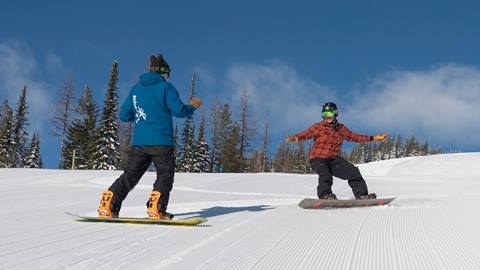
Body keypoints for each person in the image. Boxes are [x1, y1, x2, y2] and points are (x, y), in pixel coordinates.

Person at [97, 54, 202, 220]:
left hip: (139, 142)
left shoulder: (136, 89)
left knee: (130, 175)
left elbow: (124, 115)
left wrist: (142, 119)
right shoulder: (166, 88)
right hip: (161, 142)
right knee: (164, 174)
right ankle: (157, 208)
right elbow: (179, 111)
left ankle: (108, 204)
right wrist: (192, 106)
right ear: (164, 72)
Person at [285, 102, 387, 200]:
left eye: (329, 113)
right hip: (318, 159)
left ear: (335, 114)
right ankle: (325, 195)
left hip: (333, 159)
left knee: (353, 172)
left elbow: (355, 137)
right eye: (324, 113)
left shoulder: (341, 129)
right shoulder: (319, 127)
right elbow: (306, 134)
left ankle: (362, 196)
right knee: (325, 174)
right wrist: (295, 138)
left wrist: (374, 138)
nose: (327, 116)